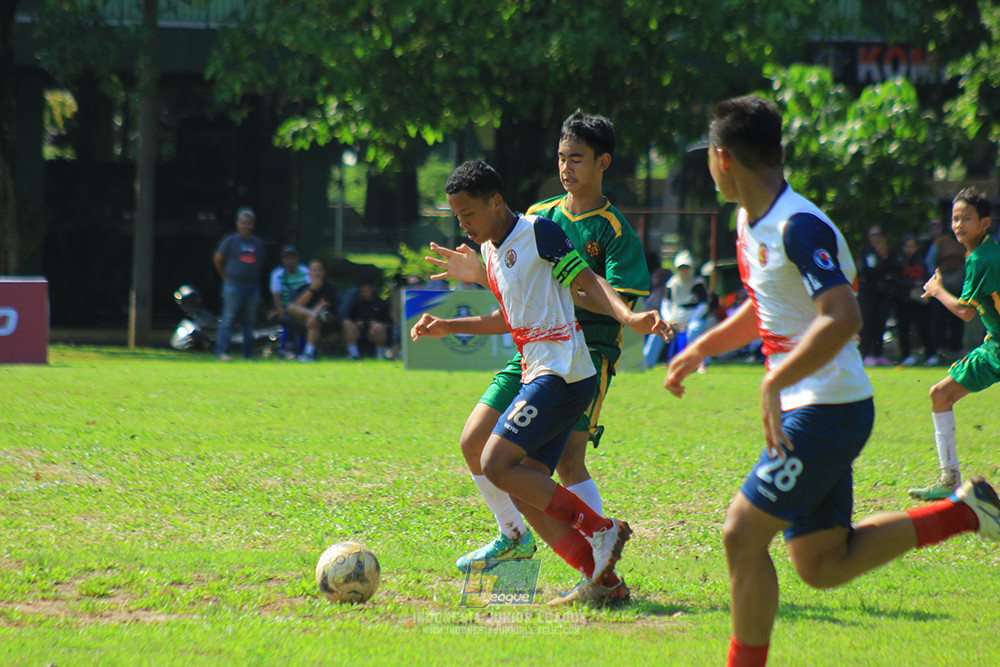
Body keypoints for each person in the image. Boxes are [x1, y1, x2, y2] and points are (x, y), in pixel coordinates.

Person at [664, 96, 1000, 667]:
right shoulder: (752, 219)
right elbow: (767, 303)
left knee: (741, 534)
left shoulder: (798, 225)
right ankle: (969, 512)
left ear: (722, 158)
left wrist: (773, 384)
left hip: (829, 408)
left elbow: (844, 315)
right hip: (813, 406)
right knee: (822, 563)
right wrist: (701, 346)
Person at [411, 160, 668, 605]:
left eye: (468, 214)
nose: (463, 225)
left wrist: (628, 316)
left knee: (496, 462)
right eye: (457, 217)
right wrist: (450, 327)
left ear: (496, 201)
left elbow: (589, 281)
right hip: (540, 371)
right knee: (521, 481)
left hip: (563, 372)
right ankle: (602, 582)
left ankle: (602, 530)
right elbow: (509, 319)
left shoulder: (539, 232)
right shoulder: (490, 252)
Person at [907, 188, 1000, 500]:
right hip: (994, 347)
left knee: (939, 395)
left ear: (985, 223)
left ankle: (950, 479)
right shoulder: (985, 253)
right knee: (940, 394)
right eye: (955, 218)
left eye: (967, 219)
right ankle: (949, 479)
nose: (959, 225)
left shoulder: (981, 258)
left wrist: (936, 289)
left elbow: (965, 311)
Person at [641, 249, 708, 369]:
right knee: (657, 332)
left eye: (687, 268)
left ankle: (699, 363)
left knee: (694, 329)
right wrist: (670, 320)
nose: (684, 271)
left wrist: (690, 320)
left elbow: (703, 306)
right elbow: (665, 305)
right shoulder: (671, 284)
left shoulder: (698, 284)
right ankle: (646, 363)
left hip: (693, 319)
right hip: (675, 319)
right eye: (681, 268)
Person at [213, 207, 265, 361]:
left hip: (252, 286)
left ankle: (248, 354)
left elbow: (260, 261)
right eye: (243, 222)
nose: (246, 225)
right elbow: (217, 259)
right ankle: (223, 352)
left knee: (249, 321)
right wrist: (226, 275)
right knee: (228, 320)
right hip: (233, 285)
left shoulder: (257, 242)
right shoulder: (229, 240)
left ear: (253, 224)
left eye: (248, 223)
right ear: (237, 223)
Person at [855, 224, 899, 367]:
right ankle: (866, 354)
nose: (875, 240)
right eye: (872, 237)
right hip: (867, 294)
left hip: (883, 295)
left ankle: (878, 354)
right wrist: (883, 275)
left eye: (878, 237)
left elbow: (895, 271)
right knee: (867, 325)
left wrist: (884, 258)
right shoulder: (865, 253)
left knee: (880, 325)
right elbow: (865, 272)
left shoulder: (889, 253)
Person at [927, 219, 968, 362]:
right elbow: (930, 262)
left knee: (958, 318)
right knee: (939, 319)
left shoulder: (965, 242)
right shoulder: (941, 241)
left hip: (959, 286)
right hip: (942, 286)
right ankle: (938, 349)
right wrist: (936, 279)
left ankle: (956, 348)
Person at [285, 259, 340, 362]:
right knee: (291, 308)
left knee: (314, 321)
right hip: (306, 318)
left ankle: (308, 354)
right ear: (309, 273)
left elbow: (325, 304)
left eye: (319, 270)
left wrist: (313, 316)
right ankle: (313, 316)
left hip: (325, 319)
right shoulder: (304, 288)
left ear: (323, 273)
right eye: (314, 270)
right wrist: (312, 289)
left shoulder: (329, 288)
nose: (317, 273)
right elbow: (298, 305)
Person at [894, 234, 934, 366]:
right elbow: (896, 280)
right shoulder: (898, 261)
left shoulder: (920, 261)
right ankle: (906, 355)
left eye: (912, 246)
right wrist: (912, 284)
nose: (909, 249)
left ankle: (930, 355)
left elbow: (928, 276)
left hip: (919, 300)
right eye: (907, 246)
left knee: (924, 326)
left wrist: (921, 284)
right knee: (904, 328)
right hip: (904, 300)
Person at [268, 246, 311, 358]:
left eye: (293, 258)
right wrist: (279, 310)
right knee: (287, 322)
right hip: (285, 308)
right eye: (287, 258)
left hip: (302, 308)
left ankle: (302, 350)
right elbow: (276, 296)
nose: (290, 261)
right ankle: (284, 348)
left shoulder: (305, 272)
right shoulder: (277, 275)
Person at [343, 279, 393, 360]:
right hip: (359, 333)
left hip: (375, 334)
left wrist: (376, 324)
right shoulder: (355, 303)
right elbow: (348, 318)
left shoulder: (380, 303)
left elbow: (389, 323)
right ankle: (353, 354)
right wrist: (356, 324)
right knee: (346, 324)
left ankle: (380, 355)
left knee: (378, 327)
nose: (365, 293)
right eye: (363, 291)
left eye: (367, 291)